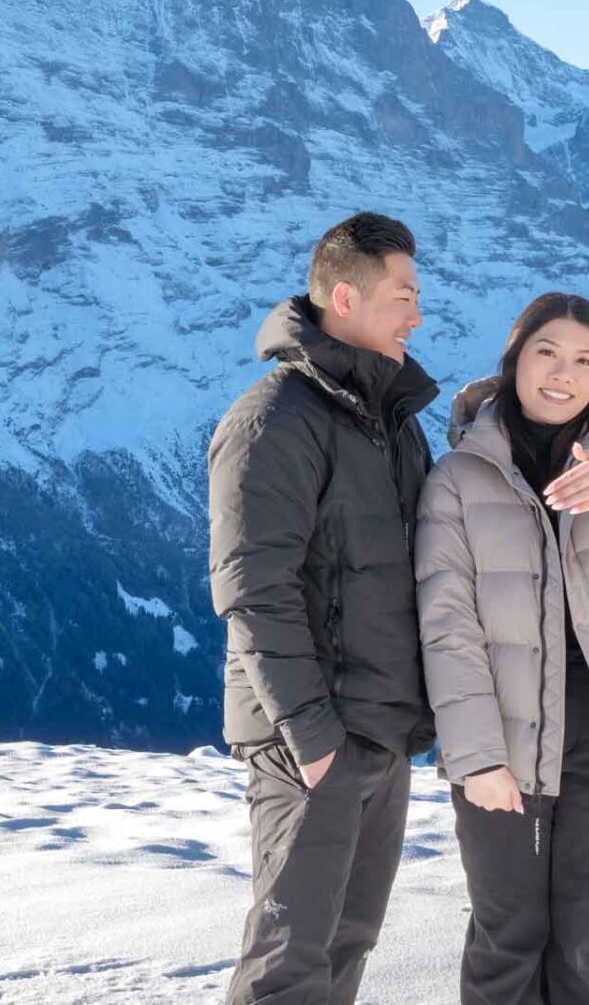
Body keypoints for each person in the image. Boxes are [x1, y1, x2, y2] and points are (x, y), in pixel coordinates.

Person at [416, 291, 589, 1005]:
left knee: (585, 940)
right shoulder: (457, 479)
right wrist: (475, 756)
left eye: (584, 360)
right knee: (508, 937)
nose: (563, 373)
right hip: (505, 740)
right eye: (546, 352)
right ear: (513, 362)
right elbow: (447, 626)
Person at [209, 211, 440, 1004]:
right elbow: (252, 588)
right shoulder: (276, 419)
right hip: (311, 737)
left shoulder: (391, 425)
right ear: (346, 298)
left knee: (345, 948)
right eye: (404, 294)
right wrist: (312, 738)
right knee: (289, 967)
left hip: (380, 732)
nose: (418, 313)